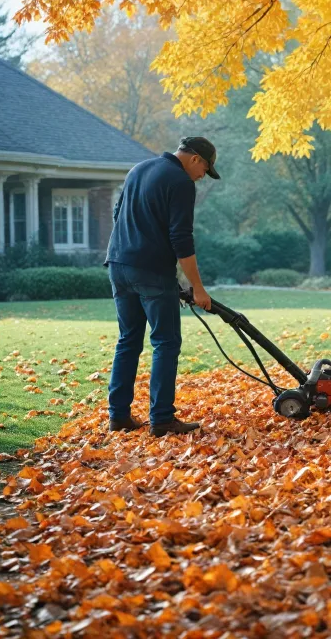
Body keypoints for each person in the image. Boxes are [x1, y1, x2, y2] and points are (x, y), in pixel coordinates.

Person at [104, 136, 218, 436]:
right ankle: (162, 419)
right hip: (151, 271)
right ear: (194, 158)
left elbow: (118, 216)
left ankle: (118, 416)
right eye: (205, 168)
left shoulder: (138, 169)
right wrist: (198, 288)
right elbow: (181, 238)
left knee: (128, 340)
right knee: (166, 343)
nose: (202, 175)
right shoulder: (181, 182)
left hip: (117, 264)